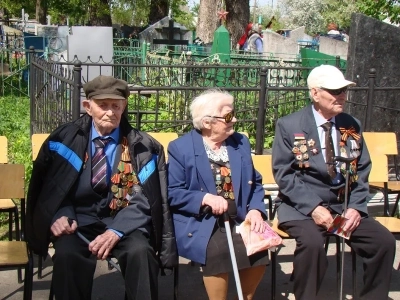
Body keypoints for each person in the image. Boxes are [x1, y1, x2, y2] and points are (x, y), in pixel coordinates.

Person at [26, 75, 178, 300]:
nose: (110, 112)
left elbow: (148, 198)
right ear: (88, 107)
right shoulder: (63, 140)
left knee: (141, 253)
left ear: (124, 107)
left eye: (116, 106)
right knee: (67, 255)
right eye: (103, 105)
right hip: (77, 220)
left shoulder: (144, 147)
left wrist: (117, 230)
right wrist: (59, 214)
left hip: (124, 222)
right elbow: (51, 188)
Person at [272, 65, 395, 300]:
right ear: (315, 93)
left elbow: (361, 169)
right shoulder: (290, 125)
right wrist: (314, 208)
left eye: (344, 91)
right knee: (312, 244)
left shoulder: (351, 124)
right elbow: (284, 174)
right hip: (302, 208)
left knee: (383, 242)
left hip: (343, 207)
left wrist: (356, 208)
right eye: (334, 90)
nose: (341, 96)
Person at [167, 89, 269, 299]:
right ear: (207, 122)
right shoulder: (181, 148)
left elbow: (256, 181)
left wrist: (256, 210)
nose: (235, 119)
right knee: (217, 250)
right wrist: (204, 198)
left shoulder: (239, 143)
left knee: (259, 245)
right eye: (228, 116)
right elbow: (172, 192)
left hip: (240, 216)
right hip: (201, 219)